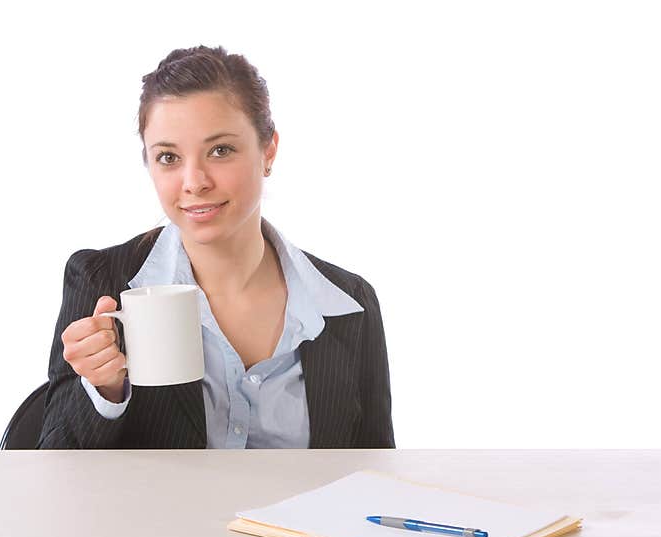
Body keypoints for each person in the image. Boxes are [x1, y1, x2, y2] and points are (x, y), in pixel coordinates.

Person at [38, 45, 394, 449]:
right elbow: (55, 466)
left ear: (268, 151)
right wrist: (104, 390)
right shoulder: (101, 281)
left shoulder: (349, 303)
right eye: (169, 157)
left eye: (220, 150)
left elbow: (374, 472)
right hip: (158, 515)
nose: (194, 181)